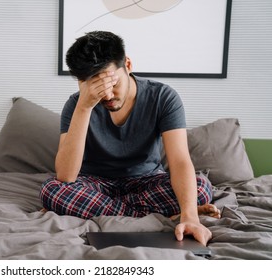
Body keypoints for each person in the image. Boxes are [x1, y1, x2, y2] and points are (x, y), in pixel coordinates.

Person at [40, 31, 220, 245]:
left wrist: (190, 216)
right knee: (52, 190)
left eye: (112, 84)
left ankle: (120, 212)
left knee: (200, 186)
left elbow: (180, 161)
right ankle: (162, 215)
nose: (107, 96)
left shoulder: (163, 97)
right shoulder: (76, 105)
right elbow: (66, 176)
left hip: (146, 180)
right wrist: (85, 106)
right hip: (94, 182)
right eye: (97, 88)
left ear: (127, 64)